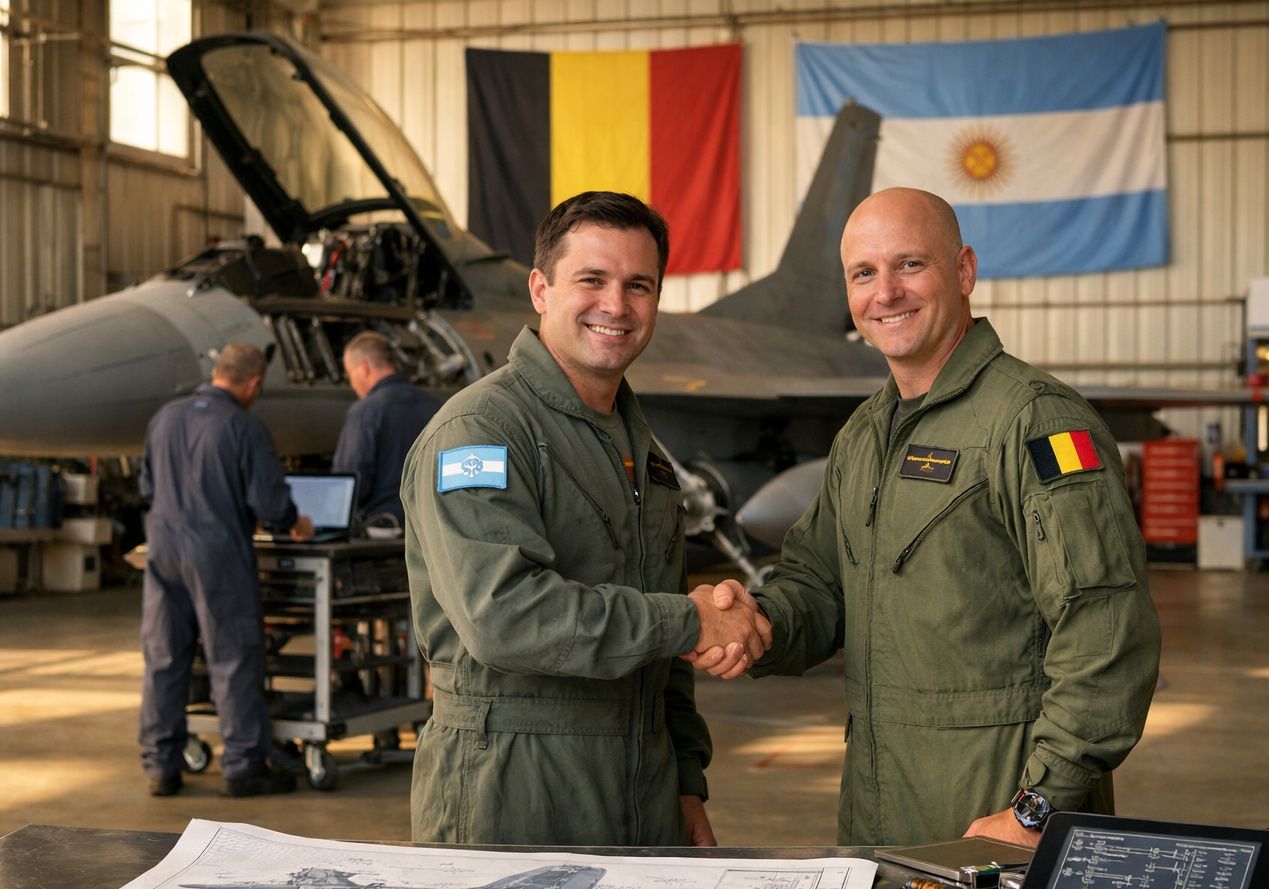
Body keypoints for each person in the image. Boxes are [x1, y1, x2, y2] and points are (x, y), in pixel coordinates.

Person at [698, 188, 1161, 847]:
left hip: (998, 817)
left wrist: (1040, 807)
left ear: (964, 271)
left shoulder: (1033, 420)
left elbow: (1105, 621)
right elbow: (819, 585)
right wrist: (754, 624)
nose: (885, 292)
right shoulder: (864, 436)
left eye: (910, 265)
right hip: (879, 811)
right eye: (864, 273)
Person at [400, 191, 770, 847]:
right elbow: (504, 618)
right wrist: (693, 619)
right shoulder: (480, 434)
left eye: (639, 285)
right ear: (540, 289)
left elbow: (665, 654)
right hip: (510, 795)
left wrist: (685, 782)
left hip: (641, 794)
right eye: (591, 280)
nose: (616, 305)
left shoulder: (642, 453)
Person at [139, 341, 315, 798]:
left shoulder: (165, 418)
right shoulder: (243, 427)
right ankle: (242, 765)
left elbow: (147, 486)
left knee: (164, 657)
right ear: (254, 382)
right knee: (233, 657)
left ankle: (162, 765)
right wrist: (296, 523)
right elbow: (271, 505)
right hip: (216, 554)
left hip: (162, 550)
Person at [332, 332, 443, 526]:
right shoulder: (437, 407)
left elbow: (352, 480)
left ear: (364, 369)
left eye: (350, 374)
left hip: (385, 527)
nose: (351, 383)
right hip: (432, 524)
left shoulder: (365, 411)